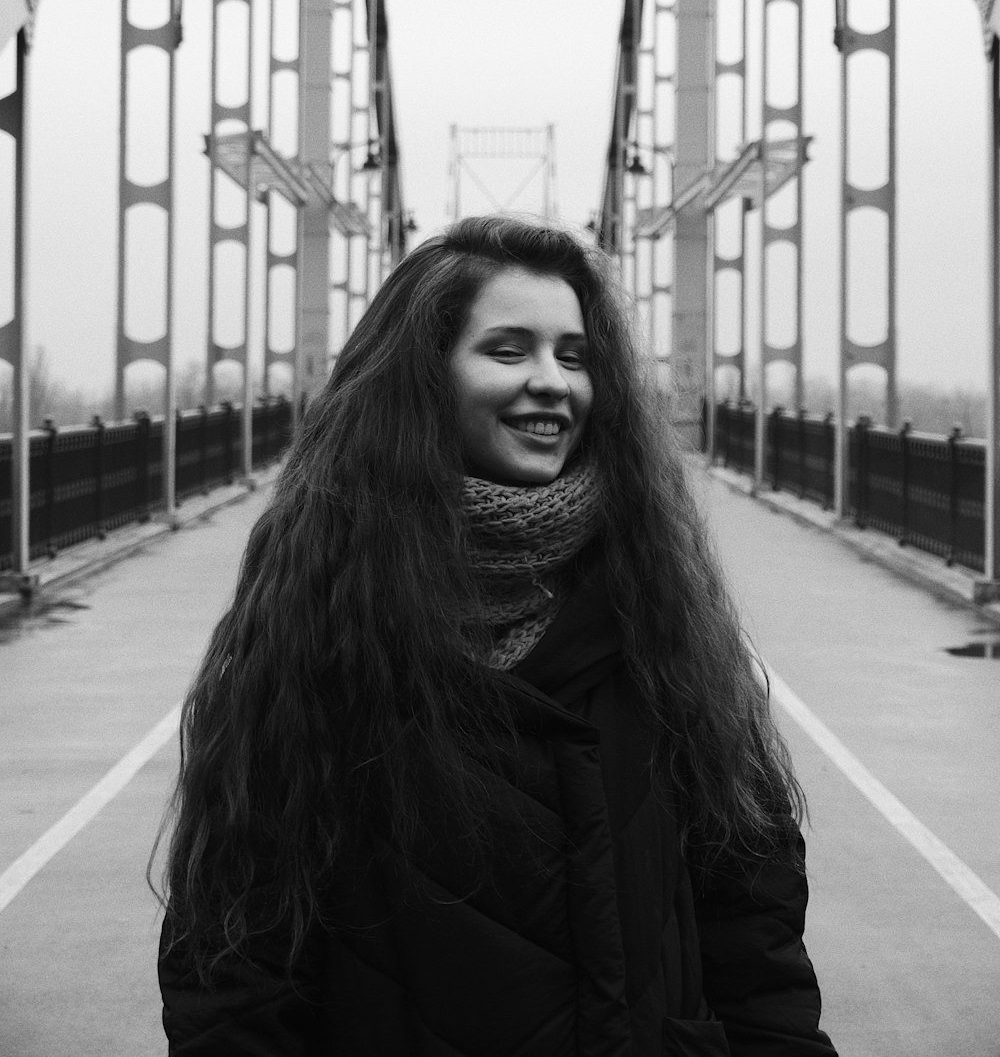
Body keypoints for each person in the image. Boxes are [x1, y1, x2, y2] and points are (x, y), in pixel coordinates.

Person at [155, 214, 838, 1056]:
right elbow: (236, 967)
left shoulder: (662, 615)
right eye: (509, 350)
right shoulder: (313, 625)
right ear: (420, 377)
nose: (553, 381)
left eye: (575, 355)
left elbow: (753, 927)